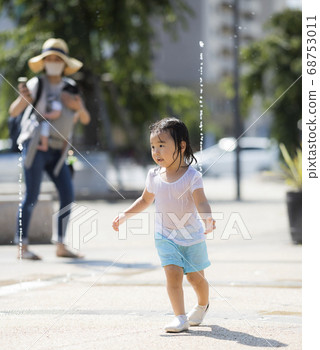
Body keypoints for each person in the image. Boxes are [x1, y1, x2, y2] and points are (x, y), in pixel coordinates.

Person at [112, 117, 216, 333]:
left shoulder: (192, 176)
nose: (156, 152)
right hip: (165, 236)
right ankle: (180, 317)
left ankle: (202, 304)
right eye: (152, 147)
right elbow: (144, 200)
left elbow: (201, 202)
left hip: (192, 237)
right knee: (173, 275)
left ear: (181, 146)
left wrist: (207, 218)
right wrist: (124, 215)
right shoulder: (154, 175)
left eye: (161, 145)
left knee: (196, 279)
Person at [9, 38, 90, 260]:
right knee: (31, 195)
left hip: (59, 150)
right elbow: (14, 111)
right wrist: (23, 99)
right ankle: (22, 247)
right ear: (43, 62)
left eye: (57, 59)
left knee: (67, 193)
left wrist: (78, 106)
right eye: (49, 59)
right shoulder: (38, 84)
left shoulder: (71, 87)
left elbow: (85, 118)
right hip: (36, 147)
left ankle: (61, 245)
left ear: (64, 63)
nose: (53, 62)